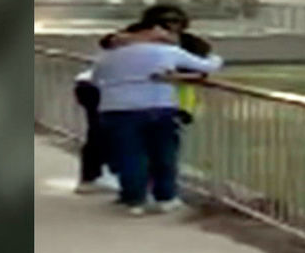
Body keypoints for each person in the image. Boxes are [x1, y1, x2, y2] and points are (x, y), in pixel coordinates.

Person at [92, 24, 221, 215]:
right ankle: (166, 197)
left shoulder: (108, 56)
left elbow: (96, 79)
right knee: (164, 153)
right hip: (159, 106)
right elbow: (208, 66)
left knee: (129, 155)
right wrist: (214, 56)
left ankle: (135, 200)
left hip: (117, 108)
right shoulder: (167, 51)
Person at [72, 23, 174, 195]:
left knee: (106, 132)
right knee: (105, 133)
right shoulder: (129, 42)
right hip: (99, 88)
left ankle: (105, 176)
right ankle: (102, 176)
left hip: (99, 87)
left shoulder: (140, 45)